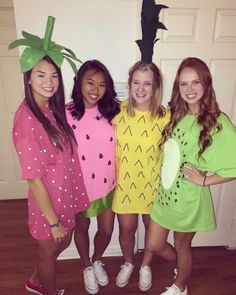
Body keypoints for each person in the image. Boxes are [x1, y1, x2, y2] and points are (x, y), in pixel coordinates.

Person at [10, 17, 89, 295]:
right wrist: (53, 221)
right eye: (41, 74)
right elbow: (33, 180)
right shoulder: (27, 119)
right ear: (28, 77)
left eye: (54, 75)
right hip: (48, 203)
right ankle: (48, 290)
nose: (49, 81)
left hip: (62, 195)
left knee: (60, 245)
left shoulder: (51, 110)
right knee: (50, 251)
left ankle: (35, 279)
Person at [146, 57, 236, 295]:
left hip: (188, 199)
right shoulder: (175, 114)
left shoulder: (218, 122)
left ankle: (180, 285)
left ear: (206, 84)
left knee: (182, 244)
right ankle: (182, 267)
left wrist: (205, 180)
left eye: (195, 82)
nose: (189, 89)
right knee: (154, 245)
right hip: (164, 195)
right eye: (183, 84)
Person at [112, 60, 170, 291]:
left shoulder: (166, 117)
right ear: (130, 84)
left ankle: (145, 265)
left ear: (156, 87)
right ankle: (128, 262)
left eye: (148, 83)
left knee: (151, 231)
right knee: (127, 231)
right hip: (124, 185)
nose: (141, 88)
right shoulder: (117, 112)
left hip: (153, 187)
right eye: (136, 82)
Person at [66, 60, 120, 295]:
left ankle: (97, 259)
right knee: (82, 229)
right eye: (90, 82)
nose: (95, 89)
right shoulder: (65, 112)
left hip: (108, 184)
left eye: (101, 84)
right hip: (80, 187)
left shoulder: (113, 112)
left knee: (106, 230)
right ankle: (86, 265)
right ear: (79, 82)